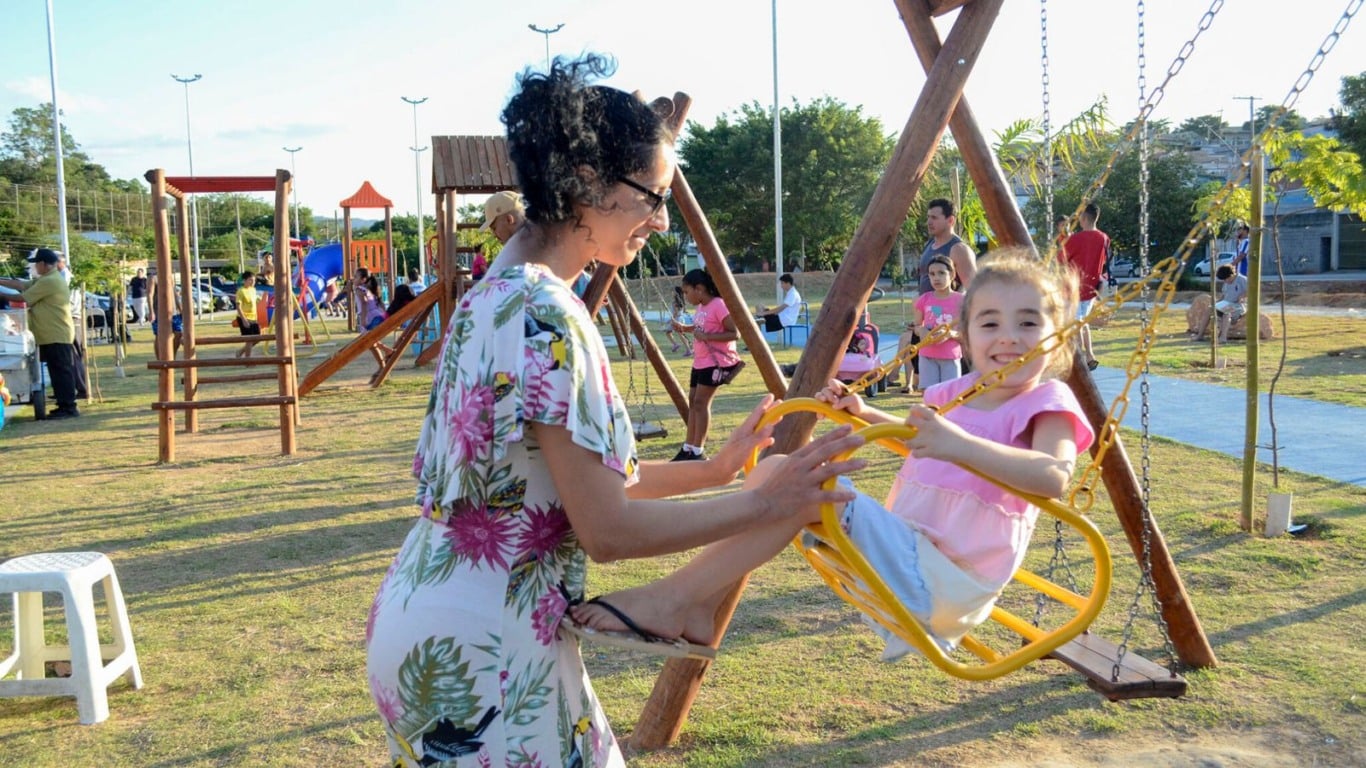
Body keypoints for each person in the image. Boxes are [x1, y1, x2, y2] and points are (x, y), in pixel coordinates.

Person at [364, 54, 864, 768]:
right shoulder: (549, 314)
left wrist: (719, 469)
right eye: (651, 197)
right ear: (588, 186)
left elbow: (554, 484)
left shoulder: (491, 296)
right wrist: (764, 504)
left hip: (436, 620)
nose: (659, 221)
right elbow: (607, 528)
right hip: (490, 647)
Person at [571, 249, 1094, 662]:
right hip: (908, 549)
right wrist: (864, 413)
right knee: (779, 468)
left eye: (1028, 323)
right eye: (990, 323)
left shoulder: (1046, 403)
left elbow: (1052, 476)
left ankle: (672, 599)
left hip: (948, 581)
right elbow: (918, 442)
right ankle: (699, 602)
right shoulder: (955, 393)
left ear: (1058, 334)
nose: (1008, 338)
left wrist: (959, 444)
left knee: (805, 491)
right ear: (965, 333)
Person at [895, 198, 977, 391]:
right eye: (928, 217)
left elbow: (974, 290)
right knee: (926, 388)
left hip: (949, 332)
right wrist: (919, 321)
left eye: (934, 217)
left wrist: (956, 326)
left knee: (952, 391)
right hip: (926, 325)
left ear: (950, 220)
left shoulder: (959, 249)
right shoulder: (930, 245)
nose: (929, 222)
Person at [0, 248, 80, 419]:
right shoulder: (46, 279)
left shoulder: (50, 281)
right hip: (51, 334)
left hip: (57, 333)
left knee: (61, 371)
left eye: (36, 263)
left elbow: (23, 297)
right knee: (56, 370)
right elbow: (22, 285)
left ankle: (69, 407)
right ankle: (63, 405)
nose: (35, 267)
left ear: (43, 264)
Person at [672, 268, 741, 461]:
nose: (685, 297)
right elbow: (702, 326)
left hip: (716, 362)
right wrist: (686, 328)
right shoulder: (702, 307)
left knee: (701, 403)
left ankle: (698, 451)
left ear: (699, 288)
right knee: (693, 402)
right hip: (701, 362)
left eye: (687, 292)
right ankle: (687, 447)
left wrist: (707, 337)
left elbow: (735, 332)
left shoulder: (718, 304)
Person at [1059, 202, 1109, 371]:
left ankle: (1081, 356)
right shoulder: (1104, 238)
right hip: (1092, 286)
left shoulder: (1075, 239)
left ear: (1084, 218)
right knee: (1082, 322)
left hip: (1073, 287)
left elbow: (1060, 259)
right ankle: (1090, 354)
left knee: (1076, 322)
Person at [912, 254, 964, 391]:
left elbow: (969, 332)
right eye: (932, 274)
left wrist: (950, 334)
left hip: (950, 356)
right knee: (929, 394)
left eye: (941, 273)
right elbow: (916, 326)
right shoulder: (924, 299)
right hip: (927, 356)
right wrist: (921, 330)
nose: (936, 278)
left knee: (950, 395)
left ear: (952, 274)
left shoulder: (962, 301)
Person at [1214, 264, 1248, 343]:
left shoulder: (1242, 280)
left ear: (1231, 275)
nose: (1225, 281)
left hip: (1237, 306)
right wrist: (1217, 302)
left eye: (1226, 279)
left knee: (1227, 313)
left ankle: (1223, 337)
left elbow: (1251, 291)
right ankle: (1199, 335)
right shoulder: (1226, 282)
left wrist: (1242, 296)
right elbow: (1224, 295)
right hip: (1225, 304)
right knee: (1209, 310)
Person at [235, 271, 261, 358]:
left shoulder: (253, 290)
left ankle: (240, 351)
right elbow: (238, 306)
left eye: (254, 280)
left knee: (258, 338)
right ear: (245, 280)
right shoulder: (241, 291)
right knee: (249, 340)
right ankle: (248, 360)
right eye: (250, 280)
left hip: (254, 318)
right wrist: (244, 320)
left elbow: (254, 300)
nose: (253, 282)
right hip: (244, 318)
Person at [660, 284, 692, 354]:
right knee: (669, 332)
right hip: (679, 318)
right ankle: (676, 345)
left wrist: (671, 320)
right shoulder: (681, 301)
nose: (672, 293)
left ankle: (687, 349)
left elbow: (676, 313)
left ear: (676, 293)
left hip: (677, 319)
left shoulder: (675, 302)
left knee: (679, 334)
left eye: (673, 292)